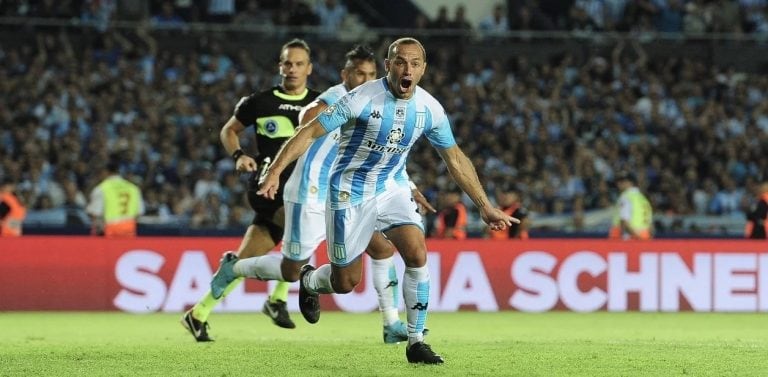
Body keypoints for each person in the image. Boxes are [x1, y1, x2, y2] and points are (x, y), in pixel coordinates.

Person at [256, 37, 517, 364]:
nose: (407, 69)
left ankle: (416, 340)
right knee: (345, 281)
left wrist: (484, 204)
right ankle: (310, 280)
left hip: (391, 186)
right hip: (349, 192)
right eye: (400, 62)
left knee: (416, 252)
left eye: (414, 63)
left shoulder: (429, 109)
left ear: (423, 69)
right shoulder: (361, 99)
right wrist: (277, 170)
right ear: (388, 65)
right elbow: (309, 131)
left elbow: (455, 158)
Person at [209, 44, 436, 344]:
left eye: (370, 74)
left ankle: (391, 324)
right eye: (358, 73)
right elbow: (310, 113)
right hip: (309, 192)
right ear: (345, 75)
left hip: (347, 196)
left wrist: (410, 187)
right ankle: (234, 266)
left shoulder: (377, 102)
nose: (365, 79)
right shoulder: (337, 96)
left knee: (382, 249)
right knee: (291, 271)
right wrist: (313, 117)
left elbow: (380, 157)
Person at [181, 38, 321, 342]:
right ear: (279, 65)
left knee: (242, 263)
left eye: (299, 64)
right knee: (304, 231)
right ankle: (277, 300)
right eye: (287, 63)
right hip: (267, 187)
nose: (292, 69)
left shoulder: (321, 104)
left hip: (301, 190)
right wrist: (239, 155)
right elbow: (228, 130)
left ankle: (198, 313)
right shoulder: (259, 102)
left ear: (309, 68)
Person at [86, 155, 144, 237]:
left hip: (110, 231)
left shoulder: (102, 188)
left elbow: (95, 213)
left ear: (105, 171)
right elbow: (139, 213)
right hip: (129, 230)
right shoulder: (133, 188)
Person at [609, 171, 652, 240]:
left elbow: (624, 222)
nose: (618, 184)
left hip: (631, 238)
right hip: (645, 237)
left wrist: (637, 237)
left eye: (622, 181)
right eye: (618, 181)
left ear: (630, 182)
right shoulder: (643, 199)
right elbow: (650, 225)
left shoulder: (626, 196)